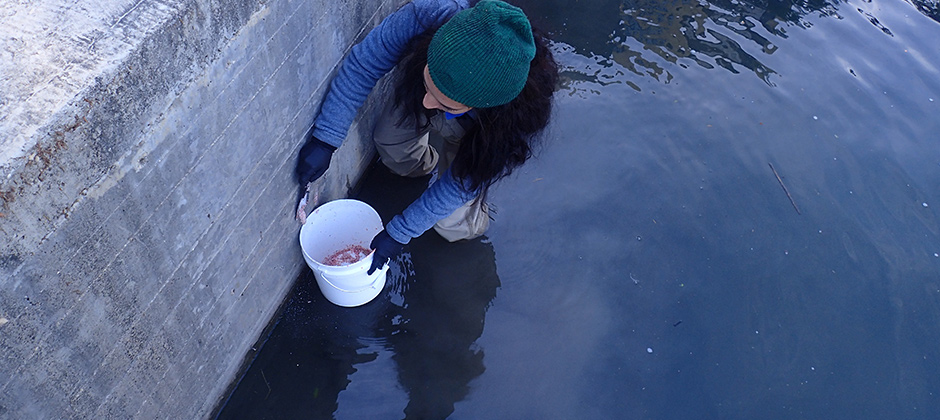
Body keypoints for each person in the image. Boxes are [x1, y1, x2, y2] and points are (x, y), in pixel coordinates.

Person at [295, 0, 557, 275]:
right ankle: (425, 166)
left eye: (445, 103)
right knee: (391, 145)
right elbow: (364, 65)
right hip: (433, 92)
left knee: (453, 226)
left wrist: (400, 232)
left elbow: (463, 182)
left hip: (480, 133)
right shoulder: (429, 13)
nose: (427, 102)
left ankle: (465, 215)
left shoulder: (518, 118)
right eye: (429, 82)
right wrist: (326, 138)